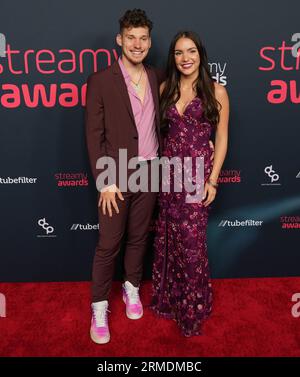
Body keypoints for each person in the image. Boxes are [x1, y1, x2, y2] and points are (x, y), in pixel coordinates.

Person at [85, 9, 162, 344]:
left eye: (143, 38)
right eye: (131, 37)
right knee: (109, 244)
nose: (137, 43)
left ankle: (132, 288)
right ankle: (99, 306)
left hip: (152, 171)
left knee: (138, 238)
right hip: (115, 174)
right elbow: (94, 134)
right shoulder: (101, 80)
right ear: (120, 39)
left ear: (149, 41)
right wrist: (106, 179)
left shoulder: (157, 76)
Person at [150, 31, 229, 337]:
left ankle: (193, 307)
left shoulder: (216, 91)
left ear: (200, 55)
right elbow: (155, 132)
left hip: (198, 177)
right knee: (170, 238)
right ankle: (169, 301)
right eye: (179, 53)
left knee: (192, 244)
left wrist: (213, 180)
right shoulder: (165, 88)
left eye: (191, 51)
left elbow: (221, 138)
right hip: (169, 176)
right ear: (173, 57)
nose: (185, 58)